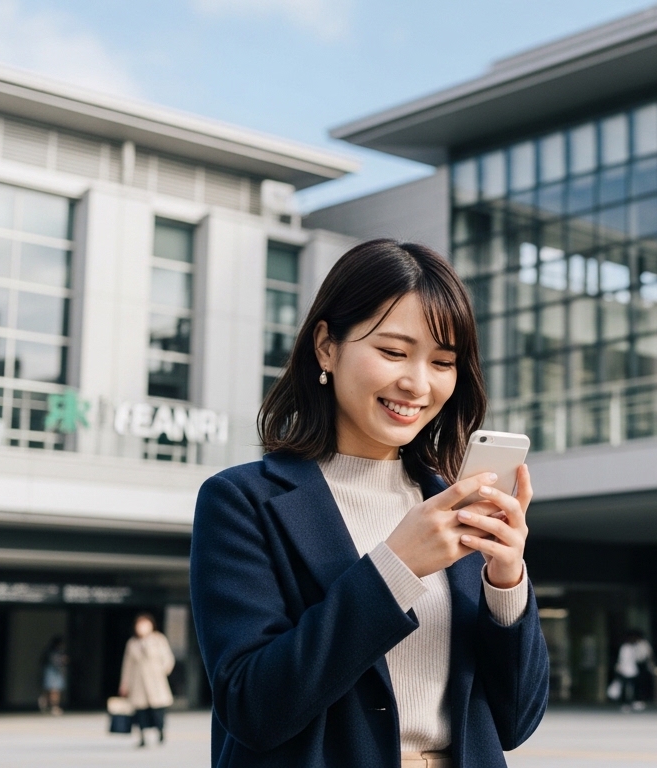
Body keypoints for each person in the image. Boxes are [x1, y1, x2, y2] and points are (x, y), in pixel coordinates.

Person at [190, 241, 549, 768]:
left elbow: (515, 721)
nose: (417, 383)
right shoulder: (242, 502)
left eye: (443, 361)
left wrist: (506, 582)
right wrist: (394, 568)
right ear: (326, 347)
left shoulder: (452, 505)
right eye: (393, 352)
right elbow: (253, 708)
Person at [119, 613, 175, 748]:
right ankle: (142, 737)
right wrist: (124, 684)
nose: (142, 628)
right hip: (138, 683)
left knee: (158, 711)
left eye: (145, 625)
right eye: (139, 625)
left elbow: (168, 659)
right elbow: (127, 665)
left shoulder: (159, 639)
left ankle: (161, 732)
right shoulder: (132, 643)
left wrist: (162, 671)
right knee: (140, 712)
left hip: (156, 681)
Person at [615, 629, 653, 711]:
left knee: (637, 686)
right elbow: (622, 659)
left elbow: (644, 656)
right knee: (625, 687)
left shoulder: (640, 645)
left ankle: (636, 701)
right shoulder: (626, 647)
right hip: (626, 669)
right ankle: (626, 703)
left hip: (636, 668)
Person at [38, 636, 68, 716]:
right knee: (54, 690)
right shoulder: (53, 652)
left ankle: (47, 704)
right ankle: (53, 707)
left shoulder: (59, 652)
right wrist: (63, 660)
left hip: (55, 673)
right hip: (53, 673)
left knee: (53, 690)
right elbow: (57, 662)